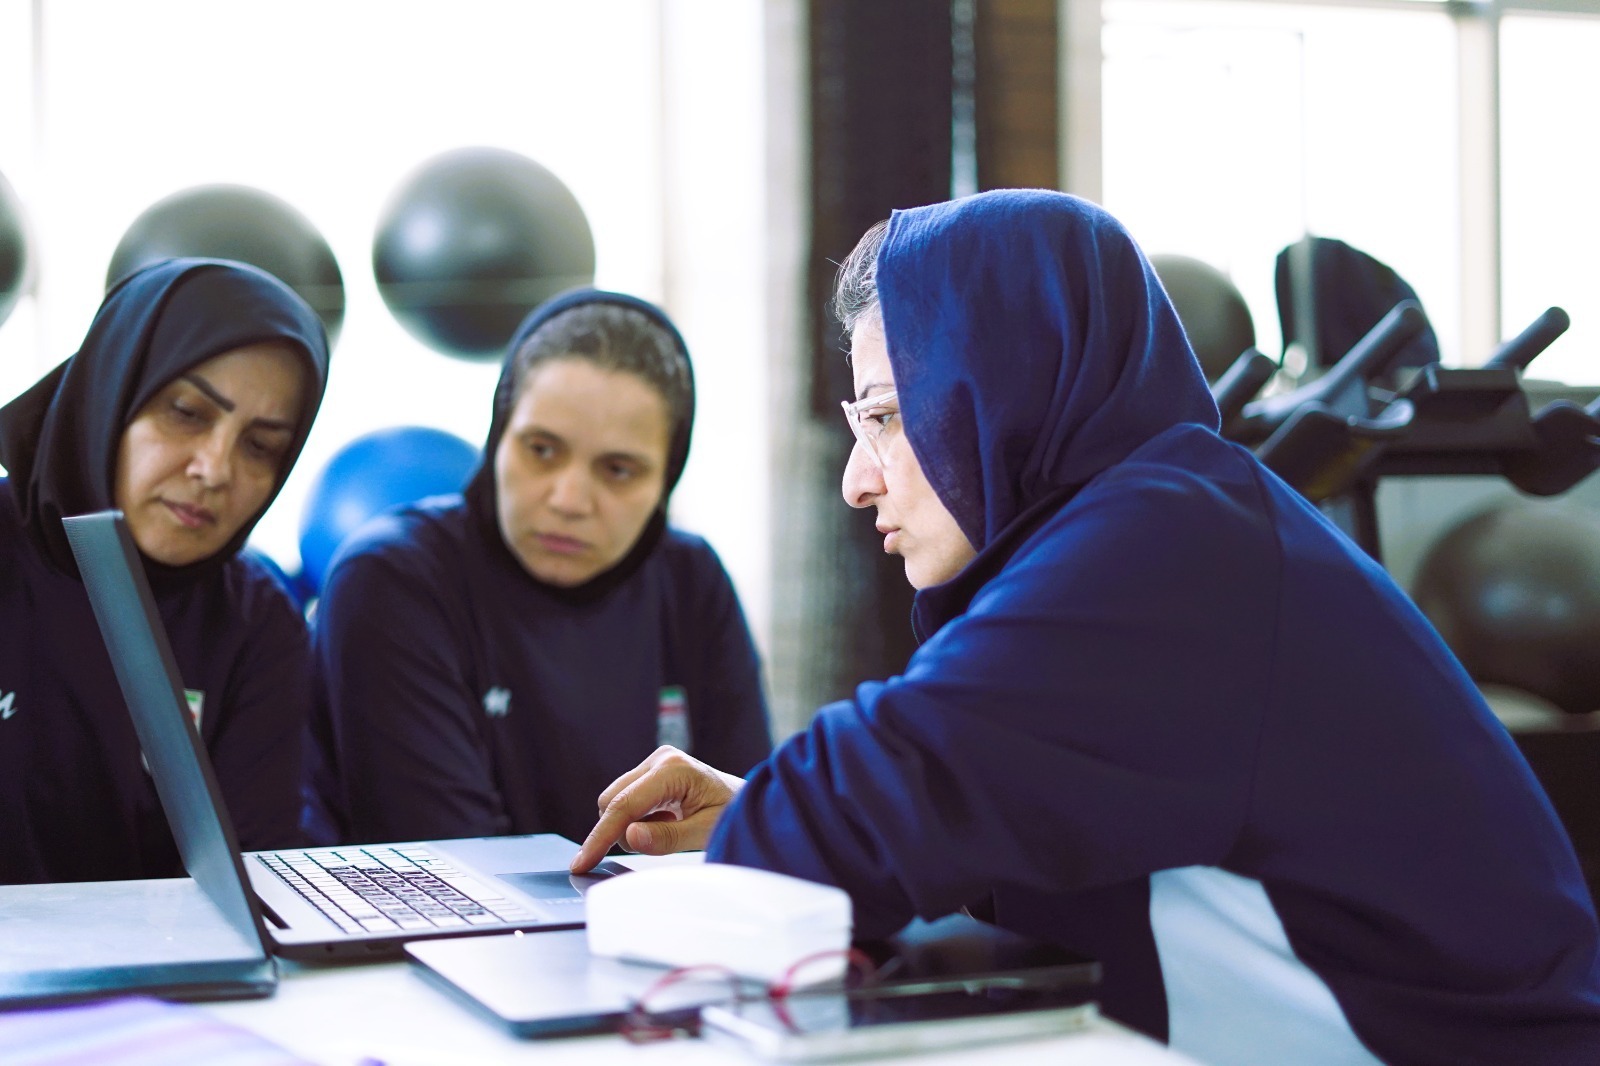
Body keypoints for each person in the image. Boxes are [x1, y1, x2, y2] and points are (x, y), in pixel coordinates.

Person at [572, 191, 1600, 1063]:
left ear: (999, 388)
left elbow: (873, 794)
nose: (856, 478)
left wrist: (774, 827)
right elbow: (988, 807)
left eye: (886, 416)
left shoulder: (1169, 545)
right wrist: (761, 805)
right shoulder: (1149, 519)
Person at [306, 289, 771, 847]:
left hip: (661, 927)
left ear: (663, 483)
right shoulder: (392, 580)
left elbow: (746, 829)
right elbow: (457, 871)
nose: (570, 499)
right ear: (499, 438)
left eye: (618, 469)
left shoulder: (690, 579)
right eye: (542, 450)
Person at [0, 257, 330, 883]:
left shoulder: (255, 621)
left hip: (163, 979)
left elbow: (252, 886)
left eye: (260, 446)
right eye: (187, 411)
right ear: (110, 393)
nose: (215, 468)